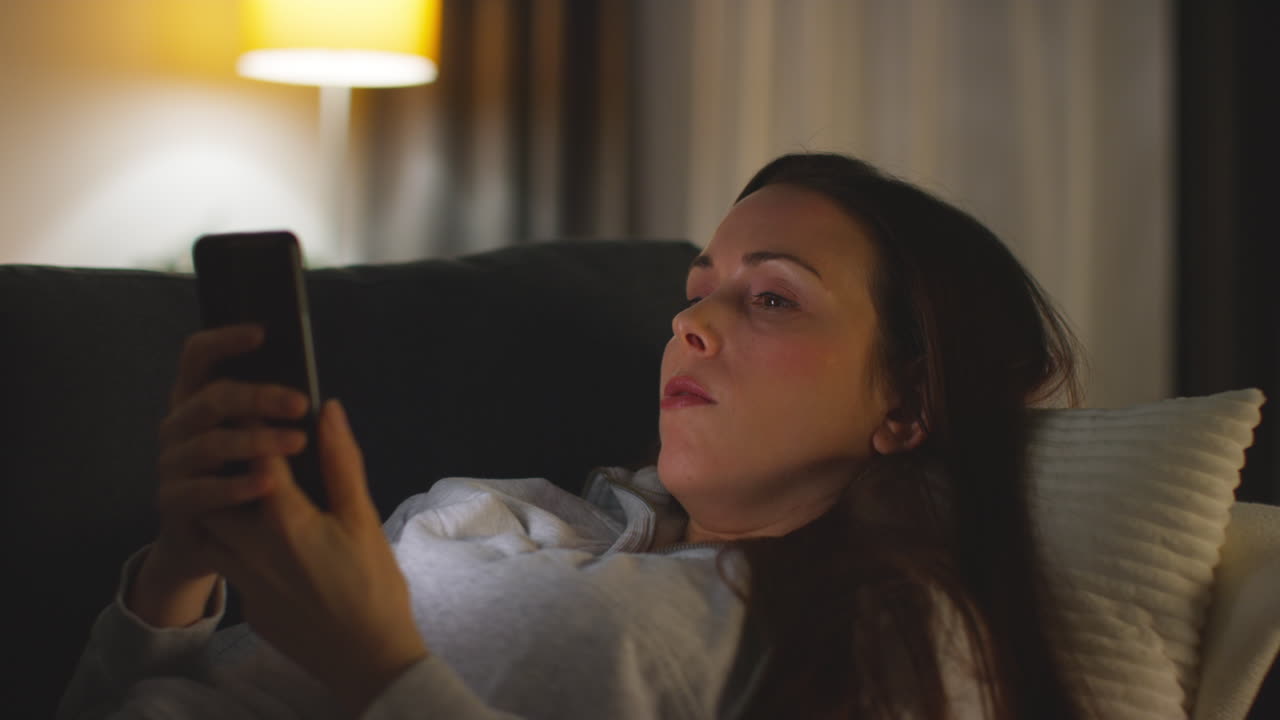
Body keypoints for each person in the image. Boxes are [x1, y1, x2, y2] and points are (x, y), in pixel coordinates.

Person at [58, 152, 1089, 720]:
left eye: (771, 299)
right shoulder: (488, 514)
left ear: (905, 405)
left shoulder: (892, 630)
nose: (689, 324)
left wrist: (379, 669)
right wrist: (176, 579)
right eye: (696, 294)